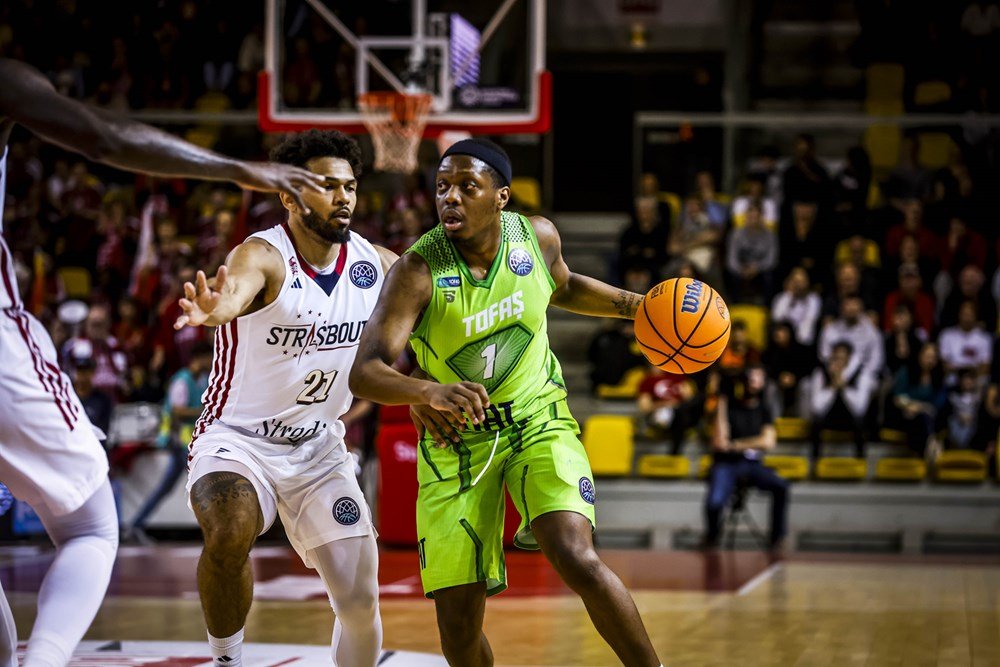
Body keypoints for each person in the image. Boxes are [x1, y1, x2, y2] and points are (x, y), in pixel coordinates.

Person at [0, 57, 324, 667]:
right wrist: (235, 169)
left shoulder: (362, 261)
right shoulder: (6, 79)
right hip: (229, 434)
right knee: (92, 527)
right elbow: (103, 137)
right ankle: (40, 659)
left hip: (302, 436)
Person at [349, 138, 662, 667]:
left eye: (466, 187)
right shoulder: (417, 272)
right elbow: (366, 370)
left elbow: (562, 287)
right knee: (458, 625)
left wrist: (638, 307)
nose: (450, 198)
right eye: (442, 187)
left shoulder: (535, 237)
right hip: (457, 443)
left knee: (576, 554)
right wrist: (426, 390)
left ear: (500, 196)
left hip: (539, 418)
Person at [174, 130, 394, 667]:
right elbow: (234, 293)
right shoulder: (263, 254)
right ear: (290, 198)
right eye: (325, 185)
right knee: (228, 531)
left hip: (319, 448)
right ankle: (227, 660)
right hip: (237, 442)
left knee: (360, 600)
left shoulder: (378, 264)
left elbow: (438, 300)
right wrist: (214, 308)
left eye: (349, 186)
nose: (342, 196)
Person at [125, 341, 214, 544]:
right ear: (199, 358)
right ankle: (217, 528)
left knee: (169, 487)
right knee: (203, 483)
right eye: (208, 358)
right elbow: (176, 411)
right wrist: (205, 412)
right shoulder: (182, 380)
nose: (211, 362)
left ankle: (135, 525)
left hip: (191, 442)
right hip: (178, 442)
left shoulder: (202, 380)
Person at [704, 366, 788, 551]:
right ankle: (711, 536)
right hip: (726, 463)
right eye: (750, 379)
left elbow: (767, 442)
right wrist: (723, 402)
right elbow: (720, 442)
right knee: (715, 501)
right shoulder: (728, 405)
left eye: (759, 380)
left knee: (781, 486)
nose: (754, 384)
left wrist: (735, 445)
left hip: (751, 464)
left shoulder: (764, 410)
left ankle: (777, 538)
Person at [807, 342, 875, 461]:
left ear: (849, 358)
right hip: (829, 417)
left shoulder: (861, 373)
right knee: (815, 422)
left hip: (850, 418)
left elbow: (860, 408)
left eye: (842, 358)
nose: (839, 362)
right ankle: (815, 461)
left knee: (860, 422)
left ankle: (860, 460)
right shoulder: (820, 373)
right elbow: (816, 406)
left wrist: (843, 386)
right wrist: (833, 386)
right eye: (835, 358)